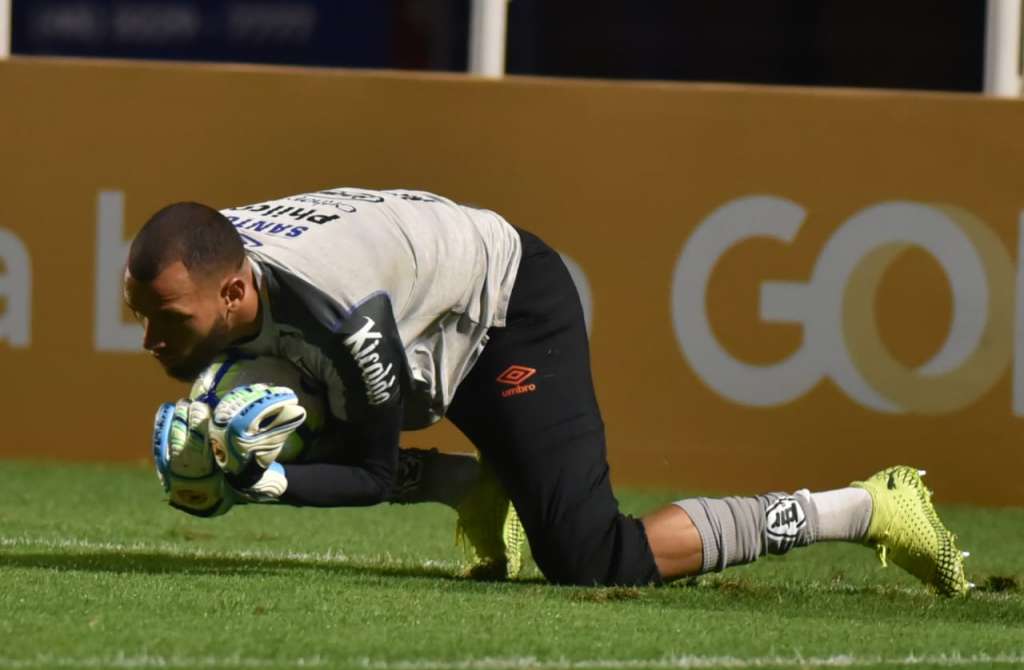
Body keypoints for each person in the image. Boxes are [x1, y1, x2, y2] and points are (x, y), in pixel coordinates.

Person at [124, 187, 971, 596]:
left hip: (505, 313)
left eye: (167, 318)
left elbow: (370, 474)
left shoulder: (340, 308)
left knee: (590, 559)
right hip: (426, 315)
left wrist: (253, 483)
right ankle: (473, 485)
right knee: (250, 414)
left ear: (234, 293)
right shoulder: (221, 256)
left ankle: (864, 507)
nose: (153, 340)